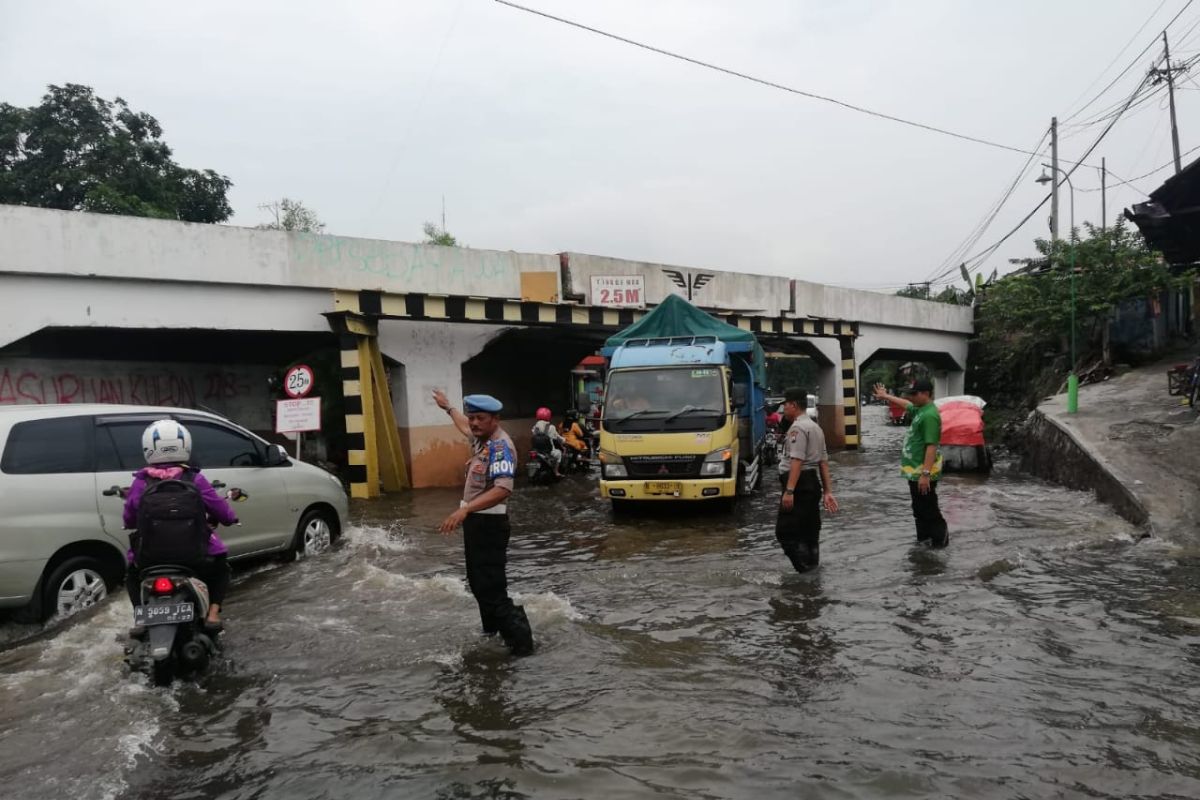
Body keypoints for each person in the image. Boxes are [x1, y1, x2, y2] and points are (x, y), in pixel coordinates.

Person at [432, 390, 534, 657]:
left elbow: (502, 489)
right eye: (472, 417)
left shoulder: (500, 447)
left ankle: (523, 647)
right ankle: (492, 635)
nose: (474, 423)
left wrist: (464, 511)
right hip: (477, 524)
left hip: (489, 526)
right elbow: (463, 426)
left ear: (495, 419)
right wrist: (448, 408)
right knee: (479, 585)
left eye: (480, 418)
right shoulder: (481, 439)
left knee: (492, 590)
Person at [123, 420, 237, 634]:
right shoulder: (195, 478)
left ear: (149, 448)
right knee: (221, 567)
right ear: (184, 445)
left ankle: (140, 617)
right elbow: (223, 512)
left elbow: (129, 518)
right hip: (195, 557)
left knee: (131, 574)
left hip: (150, 559)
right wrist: (230, 518)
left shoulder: (140, 482)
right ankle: (212, 614)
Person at [872, 379, 949, 548]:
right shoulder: (921, 410)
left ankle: (939, 545)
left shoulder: (930, 415)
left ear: (926, 394)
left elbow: (931, 446)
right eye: (910, 393)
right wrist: (886, 396)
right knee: (919, 509)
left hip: (923, 473)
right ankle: (923, 542)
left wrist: (925, 474)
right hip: (915, 472)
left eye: (914, 394)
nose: (911, 397)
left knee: (929, 510)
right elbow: (906, 404)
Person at [776, 388, 839, 573]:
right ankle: (812, 569)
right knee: (809, 531)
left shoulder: (797, 428)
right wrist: (828, 491)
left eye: (785, 405)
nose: (784, 409)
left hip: (799, 484)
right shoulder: (816, 427)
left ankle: (803, 571)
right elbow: (824, 462)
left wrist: (789, 491)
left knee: (784, 532)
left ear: (793, 405)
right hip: (812, 484)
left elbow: (797, 460)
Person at [531, 406, 565, 477]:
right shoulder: (551, 427)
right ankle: (556, 471)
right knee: (559, 453)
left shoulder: (535, 427)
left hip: (537, 451)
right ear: (548, 416)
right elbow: (556, 437)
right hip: (548, 451)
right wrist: (563, 440)